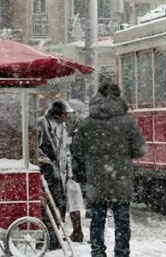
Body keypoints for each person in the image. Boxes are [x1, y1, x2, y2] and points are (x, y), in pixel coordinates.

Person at [72, 82, 147, 257]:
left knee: (97, 220)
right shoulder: (127, 122)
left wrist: (91, 163)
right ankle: (121, 252)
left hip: (96, 180)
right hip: (121, 179)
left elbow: (76, 150)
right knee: (122, 221)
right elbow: (139, 150)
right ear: (119, 97)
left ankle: (97, 251)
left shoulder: (87, 123)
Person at [37, 99, 74, 249]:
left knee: (60, 205)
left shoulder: (63, 127)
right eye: (66, 114)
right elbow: (34, 147)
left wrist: (68, 171)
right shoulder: (42, 124)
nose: (68, 117)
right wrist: (47, 162)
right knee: (48, 207)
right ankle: (47, 238)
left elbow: (65, 150)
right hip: (48, 173)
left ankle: (55, 237)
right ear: (58, 114)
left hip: (61, 173)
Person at [65, 99, 88, 242]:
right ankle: (77, 231)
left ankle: (76, 231)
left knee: (71, 200)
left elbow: (76, 151)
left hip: (73, 170)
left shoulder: (74, 129)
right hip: (78, 169)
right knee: (75, 201)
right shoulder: (82, 126)